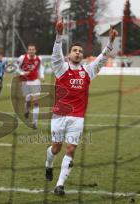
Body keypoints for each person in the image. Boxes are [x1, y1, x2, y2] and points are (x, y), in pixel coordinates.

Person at [45, 20, 118, 195]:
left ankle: (60, 185)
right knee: (56, 148)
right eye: (75, 51)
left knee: (71, 149)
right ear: (69, 54)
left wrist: (111, 42)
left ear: (82, 56)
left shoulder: (88, 71)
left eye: (80, 51)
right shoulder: (60, 68)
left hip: (77, 117)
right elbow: (56, 54)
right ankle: (48, 164)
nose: (77, 53)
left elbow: (102, 59)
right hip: (59, 115)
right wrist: (59, 34)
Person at [16, 43, 44, 129]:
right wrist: (22, 73)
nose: (31, 51)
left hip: (35, 81)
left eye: (33, 49)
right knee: (28, 100)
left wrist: (42, 76)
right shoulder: (22, 58)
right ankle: (27, 110)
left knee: (35, 101)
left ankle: (35, 122)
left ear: (35, 50)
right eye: (30, 49)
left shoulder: (39, 58)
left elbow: (41, 68)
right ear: (28, 50)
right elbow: (15, 67)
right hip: (25, 81)